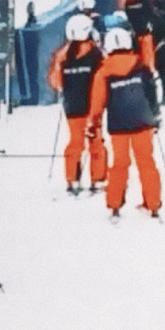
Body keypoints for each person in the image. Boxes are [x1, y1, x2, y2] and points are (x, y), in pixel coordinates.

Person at [87, 23, 163, 219]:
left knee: (119, 164)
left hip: (118, 125)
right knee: (146, 163)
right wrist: (155, 115)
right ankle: (153, 204)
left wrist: (93, 121)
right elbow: (152, 91)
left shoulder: (104, 71)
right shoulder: (141, 65)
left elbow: (98, 101)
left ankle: (115, 204)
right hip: (143, 121)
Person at [48, 12, 107, 195]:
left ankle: (72, 180)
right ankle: (97, 180)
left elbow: (56, 84)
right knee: (96, 142)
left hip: (72, 108)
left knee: (75, 143)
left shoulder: (62, 55)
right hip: (93, 107)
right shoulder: (96, 53)